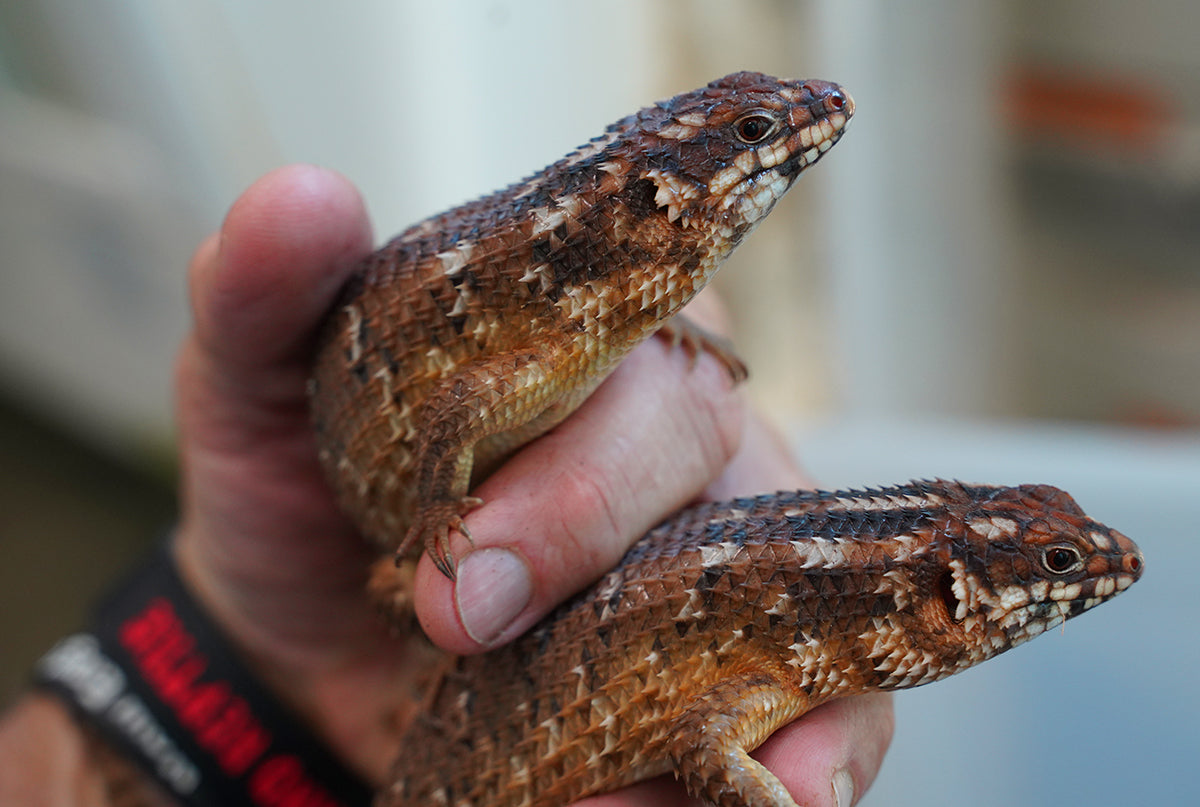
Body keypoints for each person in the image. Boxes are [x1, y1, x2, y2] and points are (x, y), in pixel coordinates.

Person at [0, 166, 893, 806]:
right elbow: (462, 403)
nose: (778, 145)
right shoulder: (557, 319)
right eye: (751, 134)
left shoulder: (615, 302)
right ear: (661, 197)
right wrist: (432, 517)